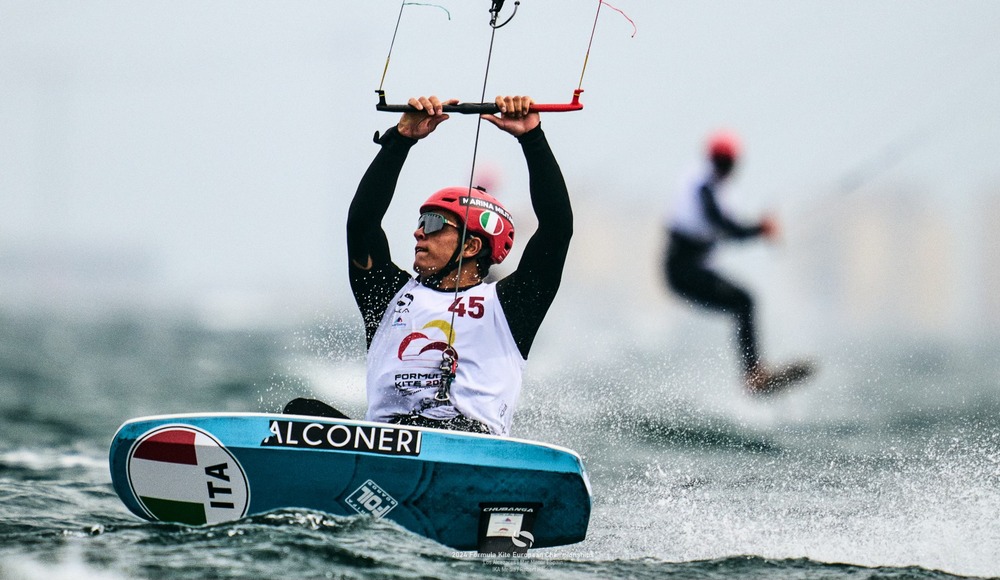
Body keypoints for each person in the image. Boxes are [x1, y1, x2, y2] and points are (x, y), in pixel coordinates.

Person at [330, 94, 572, 436]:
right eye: (420, 221)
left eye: (432, 224)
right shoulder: (387, 296)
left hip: (471, 445)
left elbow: (557, 230)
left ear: (472, 245)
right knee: (300, 411)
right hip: (388, 443)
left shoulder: (511, 307)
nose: (417, 232)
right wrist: (400, 139)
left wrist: (531, 136)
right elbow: (362, 225)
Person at [663, 130, 812, 395]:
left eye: (728, 163)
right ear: (712, 160)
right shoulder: (702, 185)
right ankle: (754, 376)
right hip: (681, 272)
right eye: (721, 162)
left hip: (691, 270)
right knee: (744, 302)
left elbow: (727, 227)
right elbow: (723, 226)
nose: (725, 168)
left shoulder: (715, 189)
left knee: (744, 303)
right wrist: (760, 229)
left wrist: (757, 229)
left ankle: (754, 375)